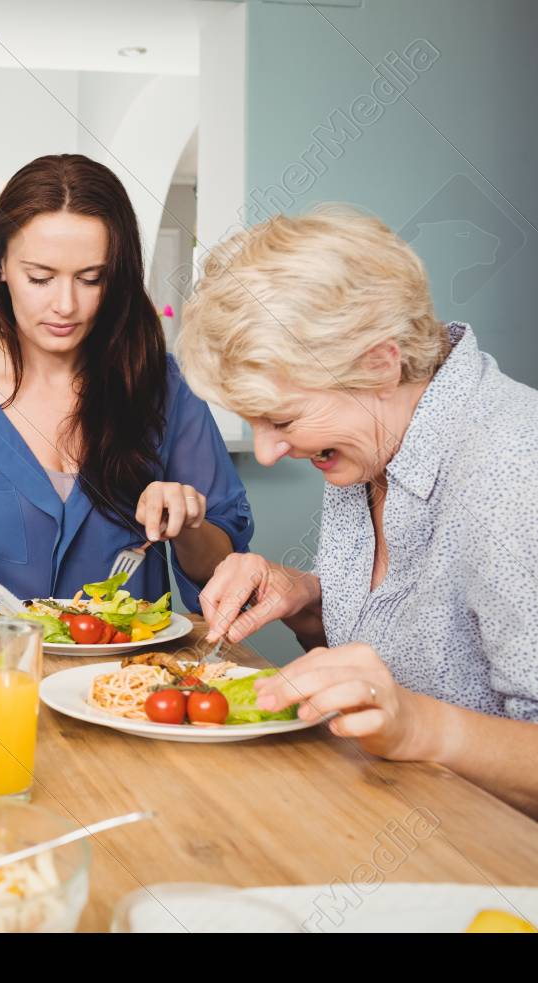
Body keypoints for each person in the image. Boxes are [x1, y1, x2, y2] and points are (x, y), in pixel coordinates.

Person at [178, 207, 538, 816]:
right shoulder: (368, 438)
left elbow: (418, 706)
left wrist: (421, 727)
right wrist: (306, 598)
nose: (268, 452)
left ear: (379, 362)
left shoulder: (513, 467)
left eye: (282, 420)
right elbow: (401, 643)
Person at [0, 154, 252, 615]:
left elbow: (224, 577)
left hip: (123, 681)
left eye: (91, 279)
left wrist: (189, 524)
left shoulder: (166, 390)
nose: (66, 305)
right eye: (40, 278)